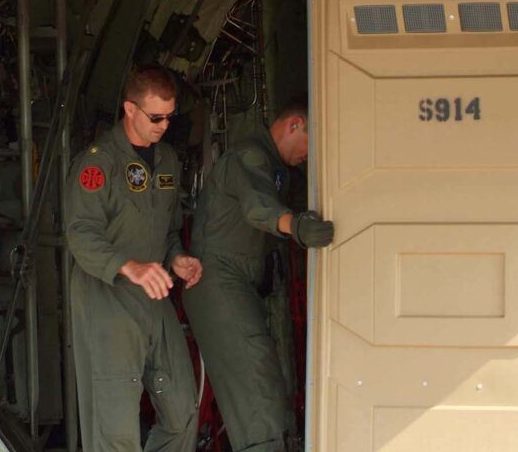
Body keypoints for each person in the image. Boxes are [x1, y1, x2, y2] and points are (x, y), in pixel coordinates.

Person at [65, 64, 203, 452]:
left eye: (169, 117)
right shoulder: (98, 163)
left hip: (153, 298)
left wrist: (177, 258)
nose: (163, 125)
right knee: (115, 431)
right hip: (106, 300)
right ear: (130, 109)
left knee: (183, 412)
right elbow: (80, 233)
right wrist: (129, 266)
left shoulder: (168, 162)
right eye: (155, 117)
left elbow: (169, 228)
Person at [184, 97, 335, 451]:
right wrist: (296, 227)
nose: (310, 154)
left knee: (266, 378)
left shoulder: (280, 169)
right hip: (218, 281)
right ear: (294, 125)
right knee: (257, 383)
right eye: (313, 142)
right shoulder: (250, 156)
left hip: (239, 285)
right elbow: (258, 209)